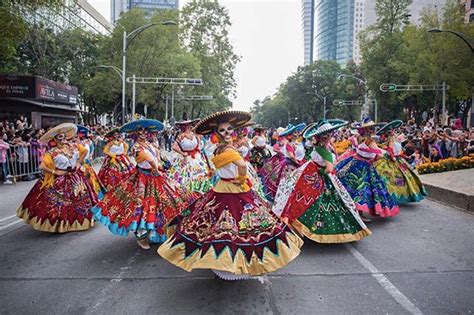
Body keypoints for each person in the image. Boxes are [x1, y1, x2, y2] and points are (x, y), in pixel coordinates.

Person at [158, 110, 303, 280]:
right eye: (222, 130)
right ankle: (228, 263)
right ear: (216, 133)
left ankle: (225, 262)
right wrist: (241, 178)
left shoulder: (220, 149)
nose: (227, 133)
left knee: (221, 223)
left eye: (229, 130)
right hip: (232, 187)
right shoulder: (227, 150)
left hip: (225, 187)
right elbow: (241, 165)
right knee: (232, 224)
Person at [91, 119, 194, 250]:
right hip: (143, 178)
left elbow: (158, 158)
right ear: (135, 132)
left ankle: (157, 232)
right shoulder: (136, 146)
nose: (143, 133)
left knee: (165, 202)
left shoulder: (151, 144)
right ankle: (141, 235)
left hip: (157, 177)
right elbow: (147, 159)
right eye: (140, 130)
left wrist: (162, 166)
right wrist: (155, 167)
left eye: (146, 130)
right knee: (142, 206)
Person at [273, 119, 371, 243]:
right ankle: (324, 230)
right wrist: (328, 171)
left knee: (305, 202)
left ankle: (301, 227)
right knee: (325, 204)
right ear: (327, 136)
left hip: (310, 175)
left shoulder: (317, 148)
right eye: (330, 134)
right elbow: (329, 169)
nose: (332, 136)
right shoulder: (325, 151)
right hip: (322, 179)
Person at [17, 123, 97, 233]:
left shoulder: (73, 146)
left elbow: (85, 151)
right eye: (60, 137)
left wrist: (79, 162)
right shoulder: (51, 152)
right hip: (61, 179)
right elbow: (42, 166)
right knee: (59, 204)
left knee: (81, 201)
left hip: (76, 177)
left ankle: (79, 221)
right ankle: (60, 224)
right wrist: (55, 172)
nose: (63, 139)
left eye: (64, 136)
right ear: (55, 139)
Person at [336, 118, 399, 219]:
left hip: (354, 162)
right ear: (370, 130)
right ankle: (359, 214)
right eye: (372, 128)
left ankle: (353, 211)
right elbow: (380, 155)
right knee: (362, 189)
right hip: (364, 166)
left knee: (353, 187)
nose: (374, 130)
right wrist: (378, 156)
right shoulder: (370, 141)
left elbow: (356, 150)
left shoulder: (357, 137)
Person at [373, 120, 427, 204]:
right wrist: (393, 158)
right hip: (391, 160)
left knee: (403, 178)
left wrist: (400, 156)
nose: (393, 131)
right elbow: (390, 151)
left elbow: (397, 150)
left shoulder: (395, 138)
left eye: (393, 130)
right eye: (391, 130)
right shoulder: (391, 139)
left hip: (397, 159)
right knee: (391, 179)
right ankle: (392, 196)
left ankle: (400, 195)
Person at [259, 123, 306, 201]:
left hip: (289, 163)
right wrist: (298, 163)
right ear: (289, 135)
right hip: (290, 165)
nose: (296, 134)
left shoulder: (294, 143)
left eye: (297, 132)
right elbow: (291, 156)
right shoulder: (288, 144)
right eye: (294, 133)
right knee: (288, 184)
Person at [169, 119, 212, 195]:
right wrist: (183, 153)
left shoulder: (195, 134)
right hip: (186, 159)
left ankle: (200, 189)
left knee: (200, 174)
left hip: (196, 157)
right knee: (186, 177)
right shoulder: (180, 136)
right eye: (183, 126)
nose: (186, 127)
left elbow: (200, 141)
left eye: (187, 125)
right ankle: (188, 193)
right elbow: (174, 147)